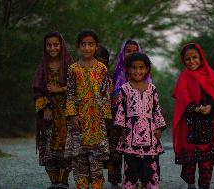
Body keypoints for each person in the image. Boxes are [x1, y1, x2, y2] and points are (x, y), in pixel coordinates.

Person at [64, 30, 112, 189]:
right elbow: (70, 93)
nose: (87, 48)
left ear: (96, 47)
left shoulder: (101, 69)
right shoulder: (73, 69)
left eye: (90, 44)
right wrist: (72, 115)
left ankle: (97, 185)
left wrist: (104, 118)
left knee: (96, 161)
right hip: (78, 121)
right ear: (78, 47)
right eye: (83, 44)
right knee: (79, 160)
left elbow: (105, 94)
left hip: (96, 122)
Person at [172, 43, 214, 189]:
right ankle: (191, 184)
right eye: (187, 59)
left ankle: (204, 185)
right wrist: (197, 108)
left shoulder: (210, 74)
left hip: (208, 123)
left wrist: (210, 107)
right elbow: (182, 97)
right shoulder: (184, 77)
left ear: (201, 57)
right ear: (183, 60)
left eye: (195, 57)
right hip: (191, 123)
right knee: (190, 158)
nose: (192, 61)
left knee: (207, 159)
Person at [114, 52, 166, 189]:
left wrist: (159, 127)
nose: (137, 71)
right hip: (130, 134)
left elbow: (156, 109)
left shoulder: (152, 89)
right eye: (134, 68)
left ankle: (150, 185)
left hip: (150, 133)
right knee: (131, 165)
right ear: (128, 69)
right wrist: (122, 128)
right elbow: (121, 109)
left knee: (150, 166)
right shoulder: (125, 89)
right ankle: (130, 185)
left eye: (141, 67)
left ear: (147, 69)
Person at [33, 31, 73, 189]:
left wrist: (59, 89)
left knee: (66, 148)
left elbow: (78, 88)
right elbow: (37, 91)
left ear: (61, 45)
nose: (52, 48)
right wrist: (45, 108)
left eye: (56, 44)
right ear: (45, 47)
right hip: (49, 115)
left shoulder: (70, 65)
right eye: (49, 45)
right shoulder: (42, 67)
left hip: (67, 114)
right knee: (49, 148)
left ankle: (63, 181)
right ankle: (54, 181)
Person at [109, 39, 147, 188]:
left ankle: (133, 179)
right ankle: (114, 180)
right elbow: (111, 95)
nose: (131, 53)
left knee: (135, 149)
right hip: (116, 116)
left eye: (135, 50)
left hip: (137, 119)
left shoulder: (144, 74)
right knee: (116, 148)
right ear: (122, 53)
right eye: (128, 51)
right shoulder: (116, 73)